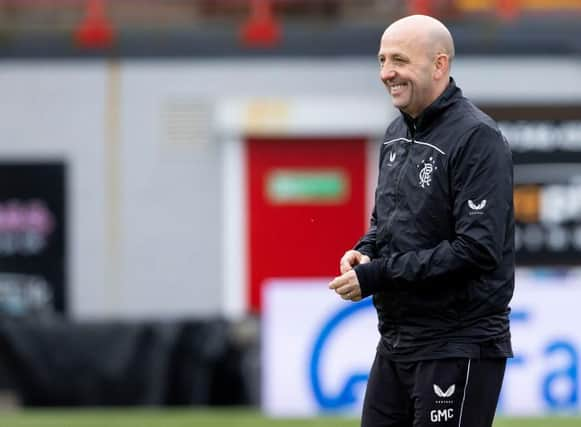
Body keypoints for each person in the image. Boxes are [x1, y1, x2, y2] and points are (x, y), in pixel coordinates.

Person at [329, 15, 514, 427]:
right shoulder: (396, 133)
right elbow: (387, 223)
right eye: (381, 60)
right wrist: (365, 251)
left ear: (439, 64)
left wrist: (377, 275)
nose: (386, 73)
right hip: (397, 341)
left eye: (399, 60)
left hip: (456, 342)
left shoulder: (477, 138)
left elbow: (476, 249)